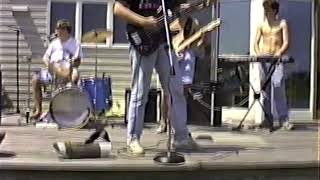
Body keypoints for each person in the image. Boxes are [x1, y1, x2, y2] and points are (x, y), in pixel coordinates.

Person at [113, 0, 211, 155]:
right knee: (140, 93)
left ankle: (181, 137)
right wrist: (143, 21)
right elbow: (118, 9)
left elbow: (179, 9)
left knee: (175, 90)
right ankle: (133, 139)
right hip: (142, 43)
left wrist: (200, 5)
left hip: (163, 42)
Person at [254, 0, 294, 130]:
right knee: (265, 90)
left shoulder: (282, 24)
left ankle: (284, 120)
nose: (266, 12)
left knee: (278, 88)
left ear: (275, 10)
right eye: (265, 9)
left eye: (268, 9)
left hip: (277, 59)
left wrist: (280, 52)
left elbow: (286, 42)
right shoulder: (261, 24)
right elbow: (256, 42)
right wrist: (258, 53)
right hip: (264, 58)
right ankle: (267, 118)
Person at [31, 19, 82, 120]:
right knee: (35, 79)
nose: (57, 31)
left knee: (75, 75)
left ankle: (69, 109)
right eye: (57, 29)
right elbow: (45, 57)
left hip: (67, 69)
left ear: (66, 30)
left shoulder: (75, 43)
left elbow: (78, 61)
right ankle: (38, 110)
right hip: (53, 69)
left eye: (60, 29)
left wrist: (72, 64)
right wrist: (49, 65)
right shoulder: (54, 43)